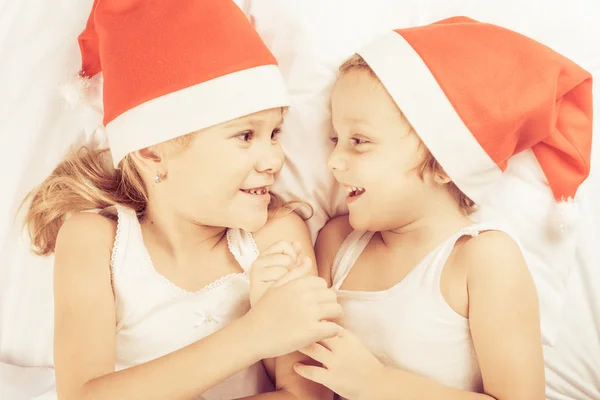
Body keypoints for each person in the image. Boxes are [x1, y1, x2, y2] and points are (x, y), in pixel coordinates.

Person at [22, 0, 341, 399]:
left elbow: (307, 395)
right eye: (246, 135)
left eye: (275, 133)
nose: (275, 159)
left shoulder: (275, 239)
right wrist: (254, 335)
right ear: (153, 151)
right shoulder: (94, 240)